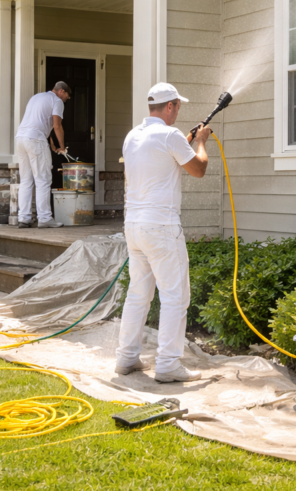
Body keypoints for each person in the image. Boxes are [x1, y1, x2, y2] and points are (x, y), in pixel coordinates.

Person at [115, 82, 211, 383]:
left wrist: (186, 140)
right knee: (175, 296)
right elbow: (198, 169)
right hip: (162, 227)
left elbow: (159, 159)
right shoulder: (169, 135)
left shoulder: (133, 136)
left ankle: (126, 358)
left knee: (138, 293)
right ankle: (168, 364)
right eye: (177, 106)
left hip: (134, 226)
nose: (178, 111)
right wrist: (201, 141)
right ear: (169, 106)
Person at [15, 82, 71, 229]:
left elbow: (40, 122)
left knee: (26, 180)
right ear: (61, 91)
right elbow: (57, 126)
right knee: (43, 180)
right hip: (35, 140)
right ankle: (45, 218)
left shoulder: (37, 97)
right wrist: (62, 147)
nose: (67, 98)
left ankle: (24, 218)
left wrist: (51, 142)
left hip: (21, 138)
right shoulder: (57, 101)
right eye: (67, 95)